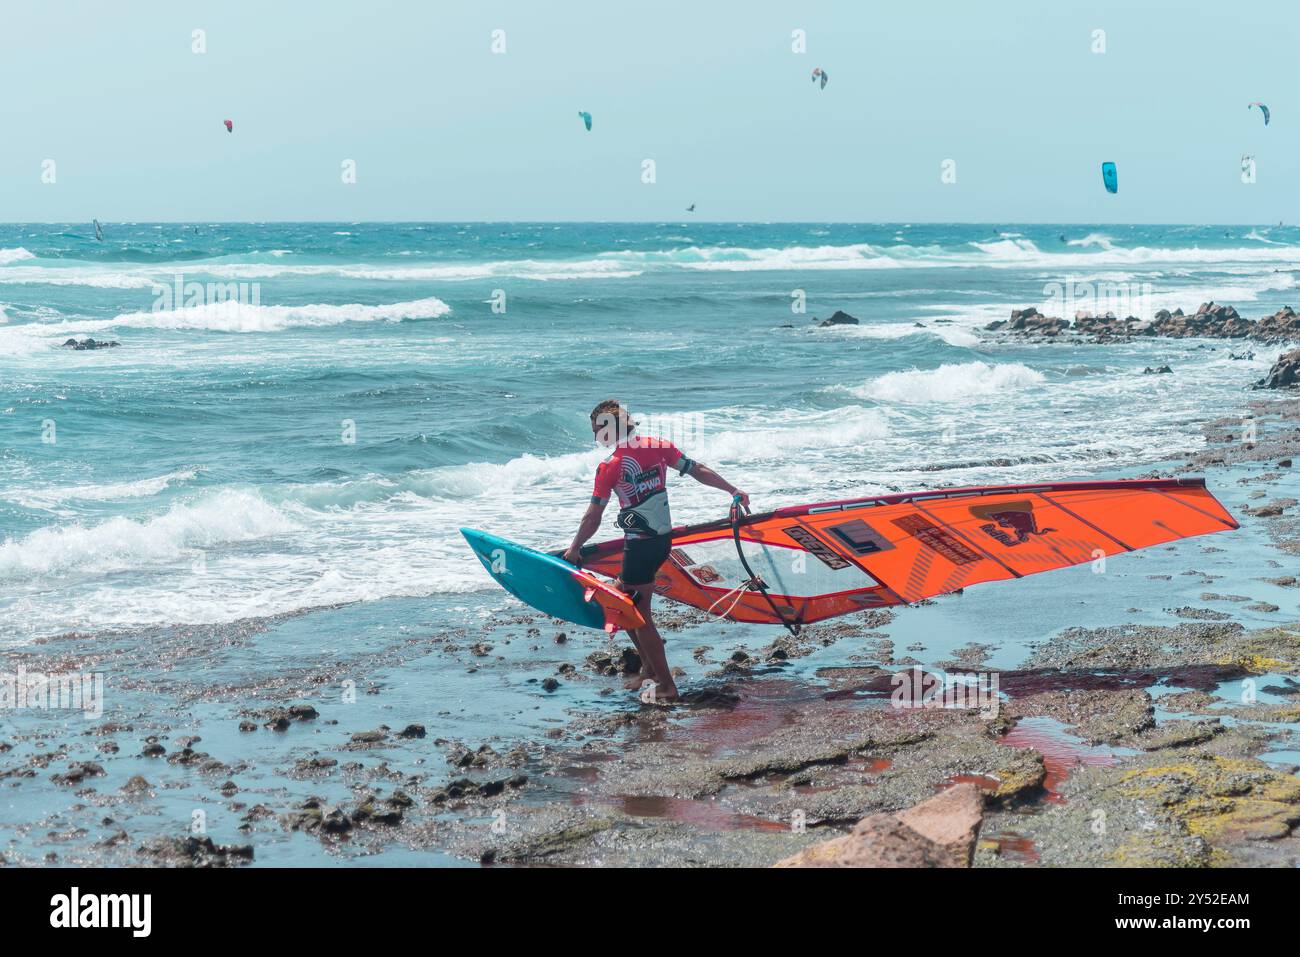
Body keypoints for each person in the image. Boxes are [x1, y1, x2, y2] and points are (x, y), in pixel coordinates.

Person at [562, 400, 748, 701]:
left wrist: (574, 549)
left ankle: (667, 685)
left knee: (639, 616)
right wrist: (732, 489)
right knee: (619, 600)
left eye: (597, 429)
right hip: (660, 541)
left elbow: (592, 516)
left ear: (611, 429)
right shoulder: (658, 446)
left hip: (639, 547)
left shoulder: (611, 466)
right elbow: (697, 470)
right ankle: (648, 668)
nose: (595, 436)